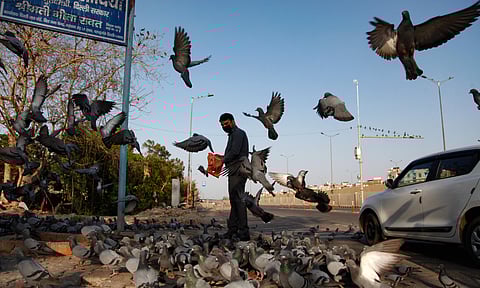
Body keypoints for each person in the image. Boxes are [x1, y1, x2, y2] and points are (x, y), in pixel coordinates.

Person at [219, 112, 250, 241]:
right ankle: (233, 229)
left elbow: (235, 152)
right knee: (234, 201)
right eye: (222, 125)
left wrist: (221, 160)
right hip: (233, 170)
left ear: (232, 121)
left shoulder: (238, 133)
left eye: (226, 123)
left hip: (239, 170)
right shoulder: (232, 135)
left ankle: (243, 232)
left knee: (238, 201)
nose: (224, 126)